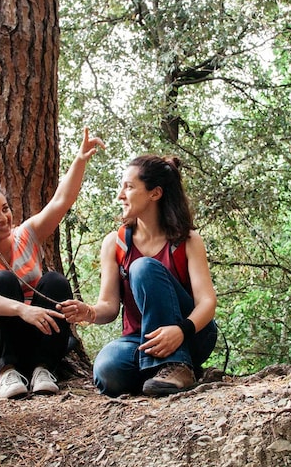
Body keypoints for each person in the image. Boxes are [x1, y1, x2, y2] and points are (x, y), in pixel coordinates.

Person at [0, 129, 105, 399]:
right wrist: (21, 309)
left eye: (5, 208)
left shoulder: (26, 234)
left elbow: (61, 201)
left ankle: (43, 369)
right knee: (1, 281)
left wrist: (80, 159)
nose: (3, 217)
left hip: (36, 341)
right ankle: (6, 372)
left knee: (55, 281)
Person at [59, 154, 219, 397]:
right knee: (107, 371)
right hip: (142, 341)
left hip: (190, 334)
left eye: (129, 187)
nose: (120, 195)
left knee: (143, 267)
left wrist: (180, 331)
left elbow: (207, 302)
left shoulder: (187, 241)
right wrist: (88, 312)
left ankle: (179, 365)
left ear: (155, 193)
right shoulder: (116, 243)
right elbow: (109, 307)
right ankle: (160, 374)